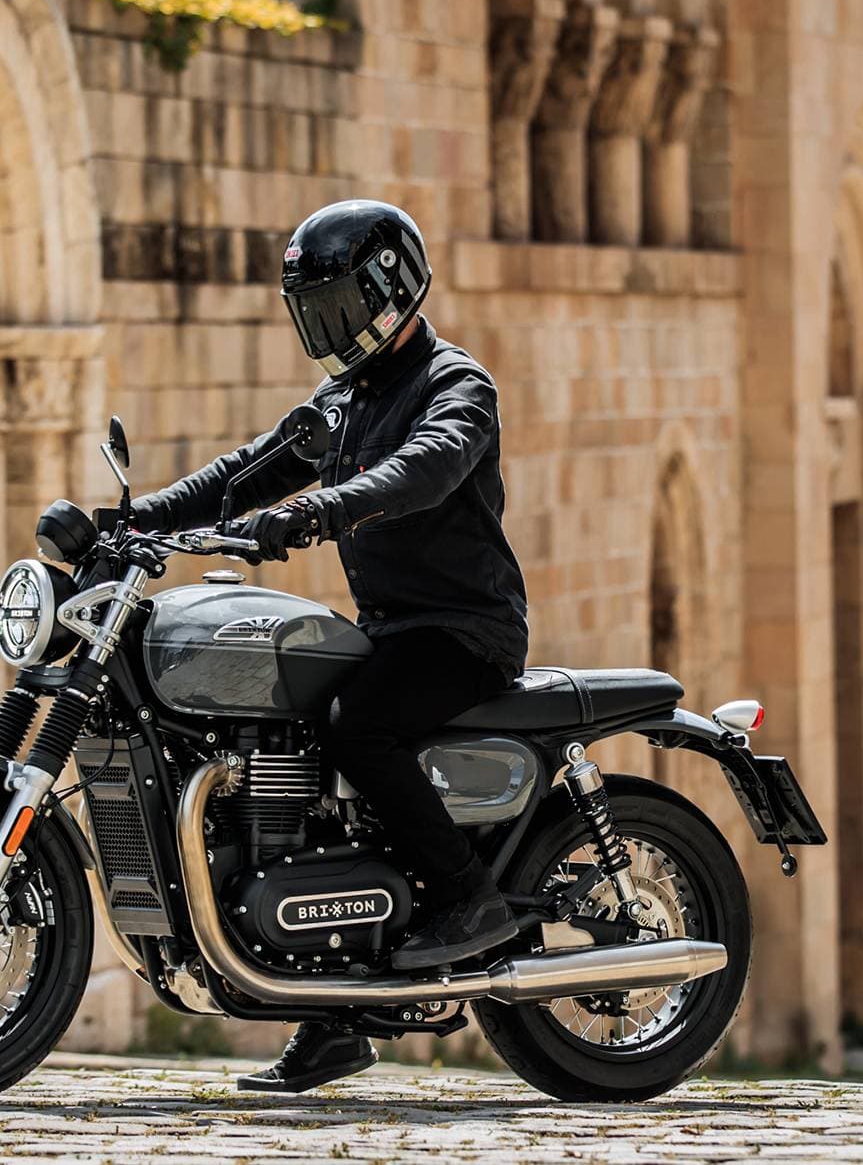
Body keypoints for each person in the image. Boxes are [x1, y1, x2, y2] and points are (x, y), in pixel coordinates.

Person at [128, 199, 532, 1093]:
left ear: (387, 292)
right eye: (313, 310)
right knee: (294, 765)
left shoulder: (456, 385)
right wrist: (131, 519)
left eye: (338, 305)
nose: (327, 327)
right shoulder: (342, 400)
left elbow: (421, 469)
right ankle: (335, 1016)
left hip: (464, 631)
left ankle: (470, 896)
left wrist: (318, 509)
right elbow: (244, 472)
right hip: (387, 630)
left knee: (358, 728)